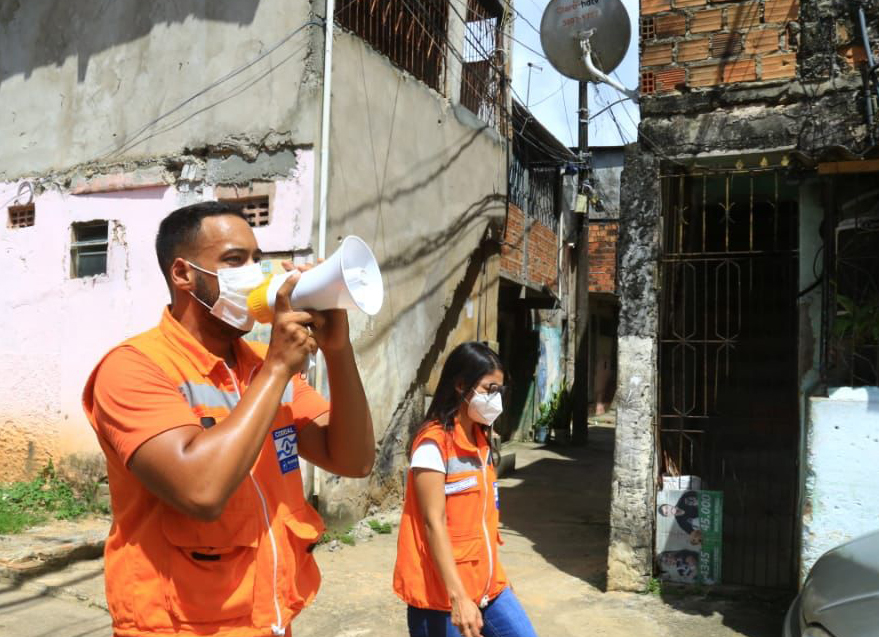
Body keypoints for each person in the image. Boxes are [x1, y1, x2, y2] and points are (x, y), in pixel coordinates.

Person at [82, 202, 375, 637]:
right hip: (178, 628)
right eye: (235, 261)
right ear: (183, 274)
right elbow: (201, 491)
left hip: (269, 621)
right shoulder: (133, 368)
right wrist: (277, 369)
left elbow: (353, 459)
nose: (255, 274)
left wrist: (337, 349)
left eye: (258, 260)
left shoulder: (261, 366)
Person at [393, 342, 538, 637]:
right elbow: (433, 524)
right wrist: (458, 597)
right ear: (460, 385)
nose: (496, 399)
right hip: (443, 596)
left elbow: (482, 522)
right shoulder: (433, 444)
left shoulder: (481, 441)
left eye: (500, 390)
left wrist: (496, 576)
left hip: (488, 587)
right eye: (489, 389)